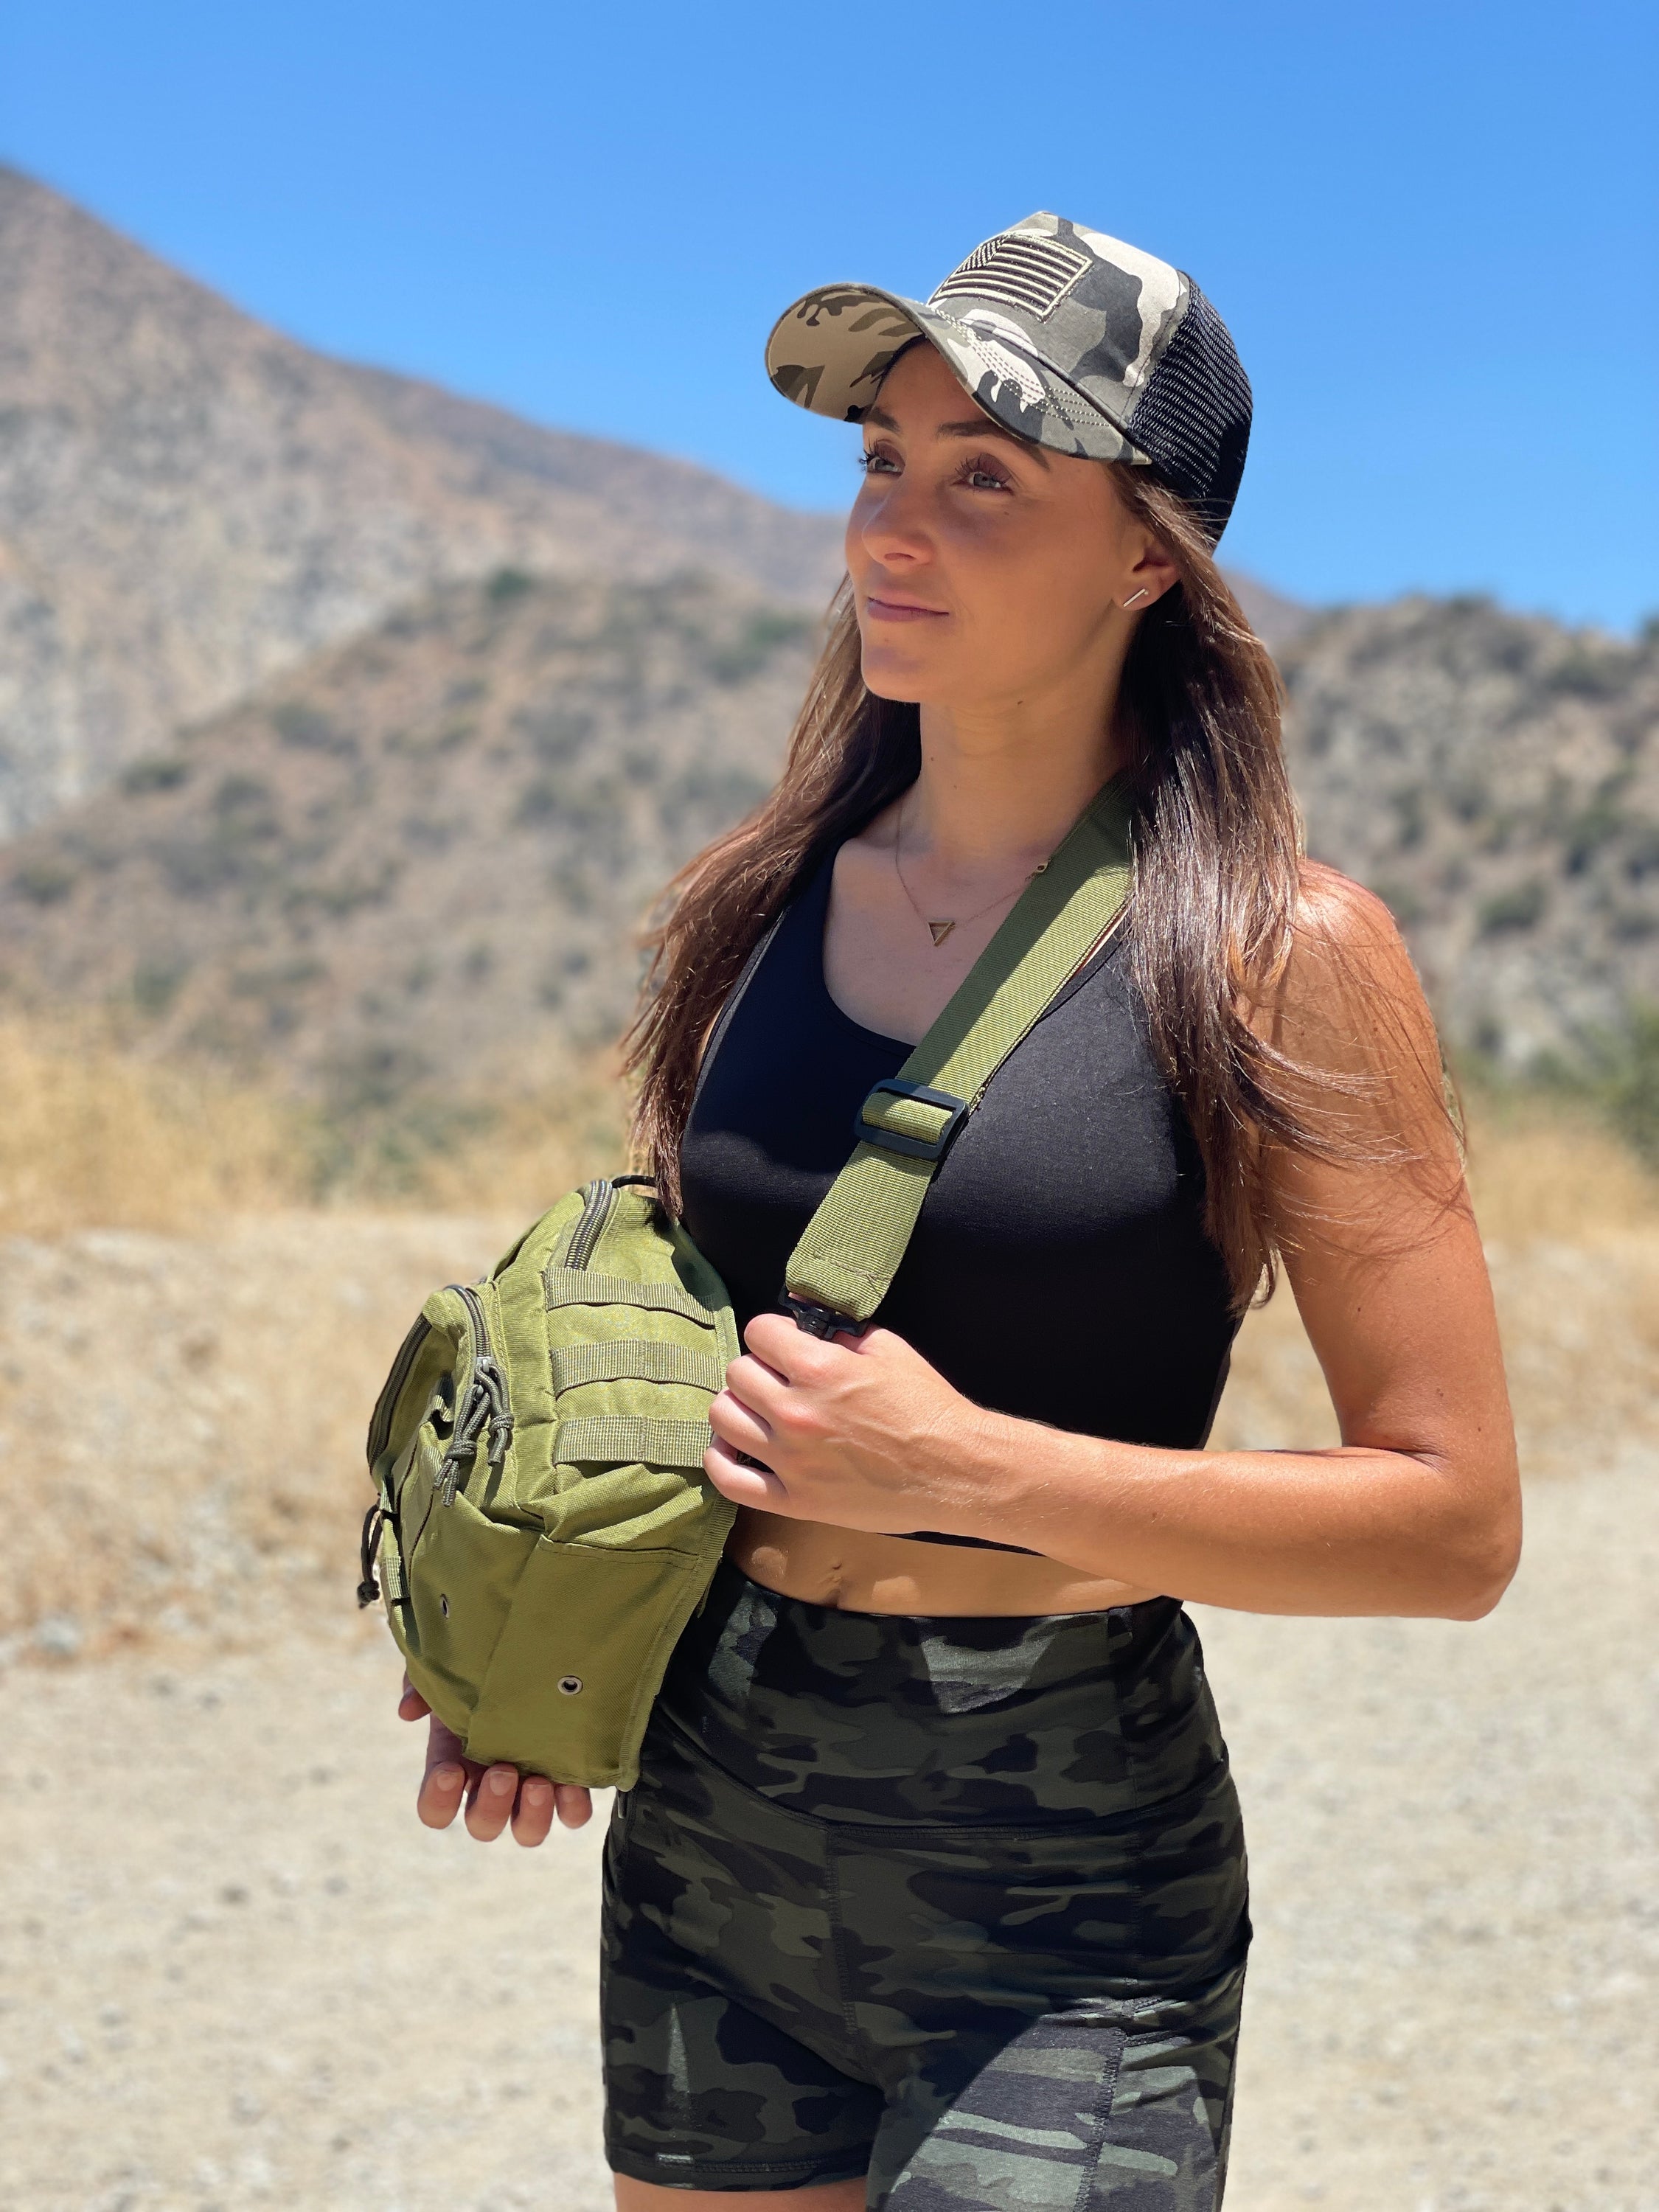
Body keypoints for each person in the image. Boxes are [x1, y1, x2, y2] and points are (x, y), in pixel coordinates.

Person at [398, 215, 1521, 2209]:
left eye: (985, 476)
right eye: (878, 461)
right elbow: (661, 1348)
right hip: (712, 1814)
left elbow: (1451, 1525)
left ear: (1149, 555)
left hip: (1067, 1879)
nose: (889, 529)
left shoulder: (1278, 955)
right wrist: (531, 1629)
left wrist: (967, 1471)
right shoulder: (754, 905)